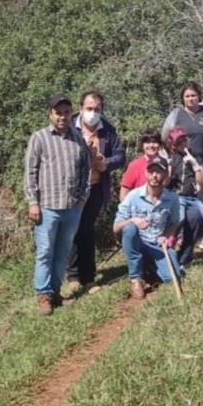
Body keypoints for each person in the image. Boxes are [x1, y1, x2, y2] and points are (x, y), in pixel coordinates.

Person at [24, 94, 89, 315]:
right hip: (47, 207)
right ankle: (43, 295)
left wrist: (82, 199)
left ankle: (55, 292)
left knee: (62, 253)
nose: (62, 116)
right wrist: (33, 202)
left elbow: (85, 172)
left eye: (66, 112)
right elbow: (30, 173)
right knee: (44, 252)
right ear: (50, 114)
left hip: (71, 208)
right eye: (58, 112)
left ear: (71, 114)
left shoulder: (78, 139)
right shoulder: (39, 138)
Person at [67, 91, 126, 294]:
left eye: (97, 109)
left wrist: (105, 163)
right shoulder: (68, 127)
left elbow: (120, 156)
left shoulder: (107, 130)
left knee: (86, 229)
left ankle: (89, 278)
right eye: (89, 108)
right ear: (81, 107)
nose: (93, 113)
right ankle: (73, 277)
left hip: (95, 189)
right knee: (72, 230)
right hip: (72, 189)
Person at [113, 156, 181, 300]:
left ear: (165, 174)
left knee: (172, 277)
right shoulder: (133, 196)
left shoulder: (172, 198)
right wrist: (132, 220)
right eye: (151, 172)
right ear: (146, 173)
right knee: (130, 228)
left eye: (159, 172)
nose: (154, 176)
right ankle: (135, 279)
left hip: (157, 242)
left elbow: (173, 222)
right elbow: (116, 227)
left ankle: (148, 265)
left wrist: (166, 235)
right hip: (137, 242)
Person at [164, 128, 203, 267]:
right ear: (173, 145)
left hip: (192, 198)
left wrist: (195, 165)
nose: (183, 144)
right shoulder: (171, 159)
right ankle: (170, 247)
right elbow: (166, 183)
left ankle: (184, 255)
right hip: (176, 197)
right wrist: (168, 169)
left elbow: (201, 183)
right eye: (179, 142)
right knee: (179, 219)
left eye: (184, 140)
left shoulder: (195, 158)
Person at [162, 81, 203, 169]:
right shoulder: (176, 115)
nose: (190, 99)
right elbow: (165, 139)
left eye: (193, 95)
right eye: (187, 96)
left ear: (199, 96)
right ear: (183, 98)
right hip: (181, 165)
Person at [120, 129, 162, 201]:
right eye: (148, 142)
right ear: (142, 145)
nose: (151, 145)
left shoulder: (164, 164)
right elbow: (124, 194)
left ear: (160, 144)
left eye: (155, 142)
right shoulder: (134, 165)